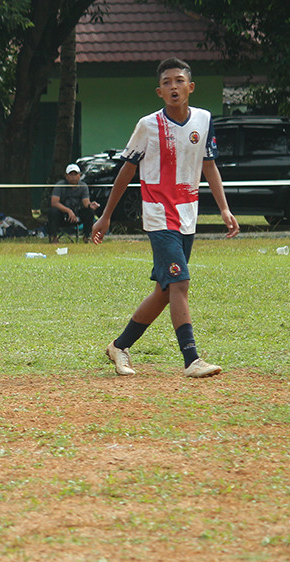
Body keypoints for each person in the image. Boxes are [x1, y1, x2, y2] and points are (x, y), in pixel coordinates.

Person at [92, 57, 239, 379]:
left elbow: (209, 165)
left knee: (165, 290)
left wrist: (224, 208)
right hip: (159, 215)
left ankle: (119, 345)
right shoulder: (148, 126)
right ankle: (192, 359)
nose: (174, 87)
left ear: (191, 87)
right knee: (180, 283)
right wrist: (106, 216)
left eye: (179, 81)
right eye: (167, 82)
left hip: (188, 215)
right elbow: (126, 171)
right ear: (159, 91)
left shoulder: (204, 120)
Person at [48, 163, 99, 242]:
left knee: (89, 212)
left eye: (75, 174)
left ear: (80, 175)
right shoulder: (60, 185)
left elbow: (85, 202)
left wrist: (90, 205)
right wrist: (68, 211)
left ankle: (87, 236)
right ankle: (54, 238)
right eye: (71, 174)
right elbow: (54, 202)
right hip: (62, 213)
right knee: (53, 211)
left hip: (77, 212)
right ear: (66, 176)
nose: (73, 177)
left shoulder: (83, 186)